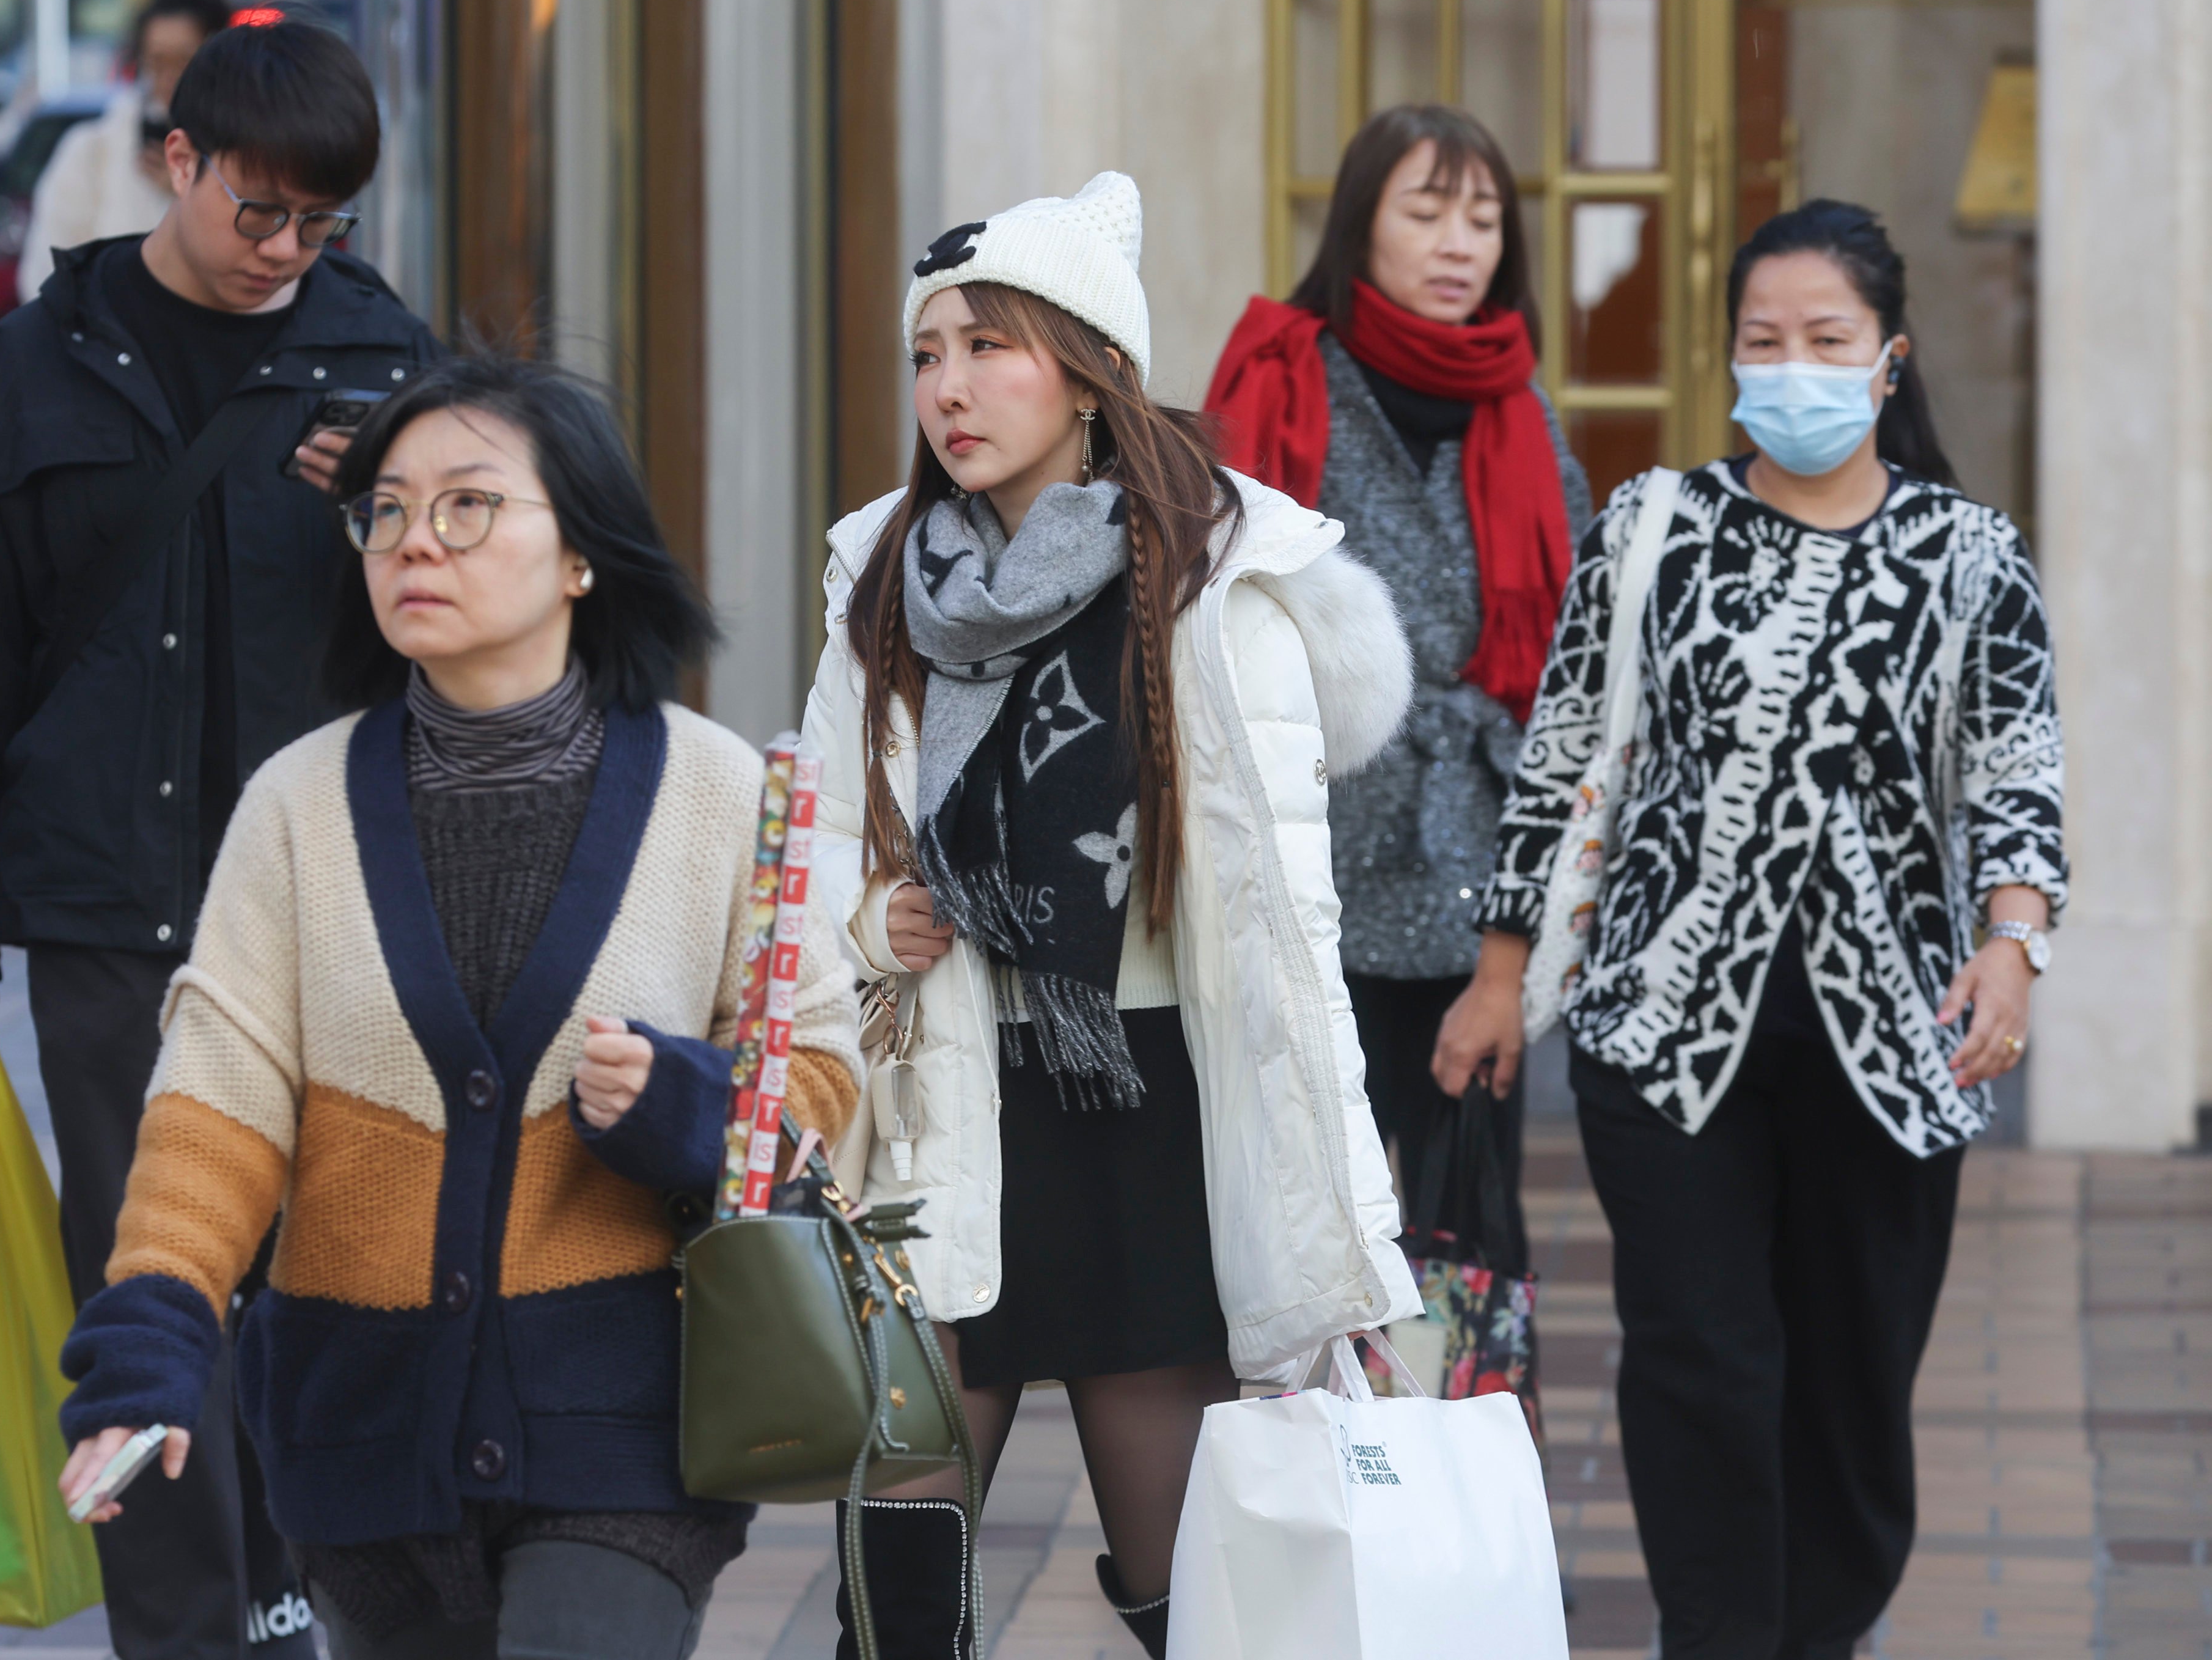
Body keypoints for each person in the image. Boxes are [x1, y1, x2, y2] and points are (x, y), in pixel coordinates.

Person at [54, 354, 864, 1659]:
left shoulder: (723, 795)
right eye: (385, 509)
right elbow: (217, 1104)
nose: (412, 540)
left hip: (626, 1424)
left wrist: (684, 1110)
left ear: (580, 557)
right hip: (356, 1432)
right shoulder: (298, 807)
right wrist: (151, 1336)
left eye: (468, 505)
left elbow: (822, 1082)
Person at [799, 172, 1424, 1659]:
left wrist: (1348, 1232)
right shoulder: (883, 572)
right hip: (941, 1105)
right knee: (896, 1595)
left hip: (1147, 1120)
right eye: (927, 354)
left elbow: (1287, 936)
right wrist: (869, 917)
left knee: (1195, 1600)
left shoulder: (1212, 577)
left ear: (1091, 369)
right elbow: (810, 836)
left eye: (989, 347)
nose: (948, 387)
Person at [1435, 199, 2067, 1659]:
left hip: (1892, 1041)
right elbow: (1565, 754)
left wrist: (2013, 940)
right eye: (1762, 341)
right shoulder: (1652, 527)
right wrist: (1502, 971)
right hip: (1666, 1031)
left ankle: (1819, 1631)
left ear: (1888, 361)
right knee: (1699, 1367)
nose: (1792, 368)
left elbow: (2018, 761)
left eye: (1826, 341)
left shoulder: (1970, 554)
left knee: (1851, 1387)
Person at [0, 17, 439, 1658]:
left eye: (321, 225)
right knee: (141, 1294)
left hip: (328, 907)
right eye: (256, 212)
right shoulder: (37, 357)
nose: (285, 253)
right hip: (97, 906)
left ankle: (303, 1598)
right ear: (176, 158)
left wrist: (389, 512)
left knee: (322, 1281)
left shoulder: (391, 360)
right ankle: (187, 1630)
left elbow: (478, 639)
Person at [1206, 103, 1588, 1265]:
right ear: (1361, 225)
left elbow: (1573, 645)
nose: (1458, 243)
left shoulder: (1522, 406)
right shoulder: (1282, 378)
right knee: (1307, 1213)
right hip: (1311, 846)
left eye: (1482, 218)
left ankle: (1451, 1438)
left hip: (1478, 864)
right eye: (1426, 211)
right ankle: (1317, 1447)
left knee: (1462, 1216)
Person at [15, 0, 233, 301]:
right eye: (158, 62)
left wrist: (192, 197)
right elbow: (46, 276)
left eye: (184, 61)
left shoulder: (246, 151)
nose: (170, 78)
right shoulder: (93, 151)